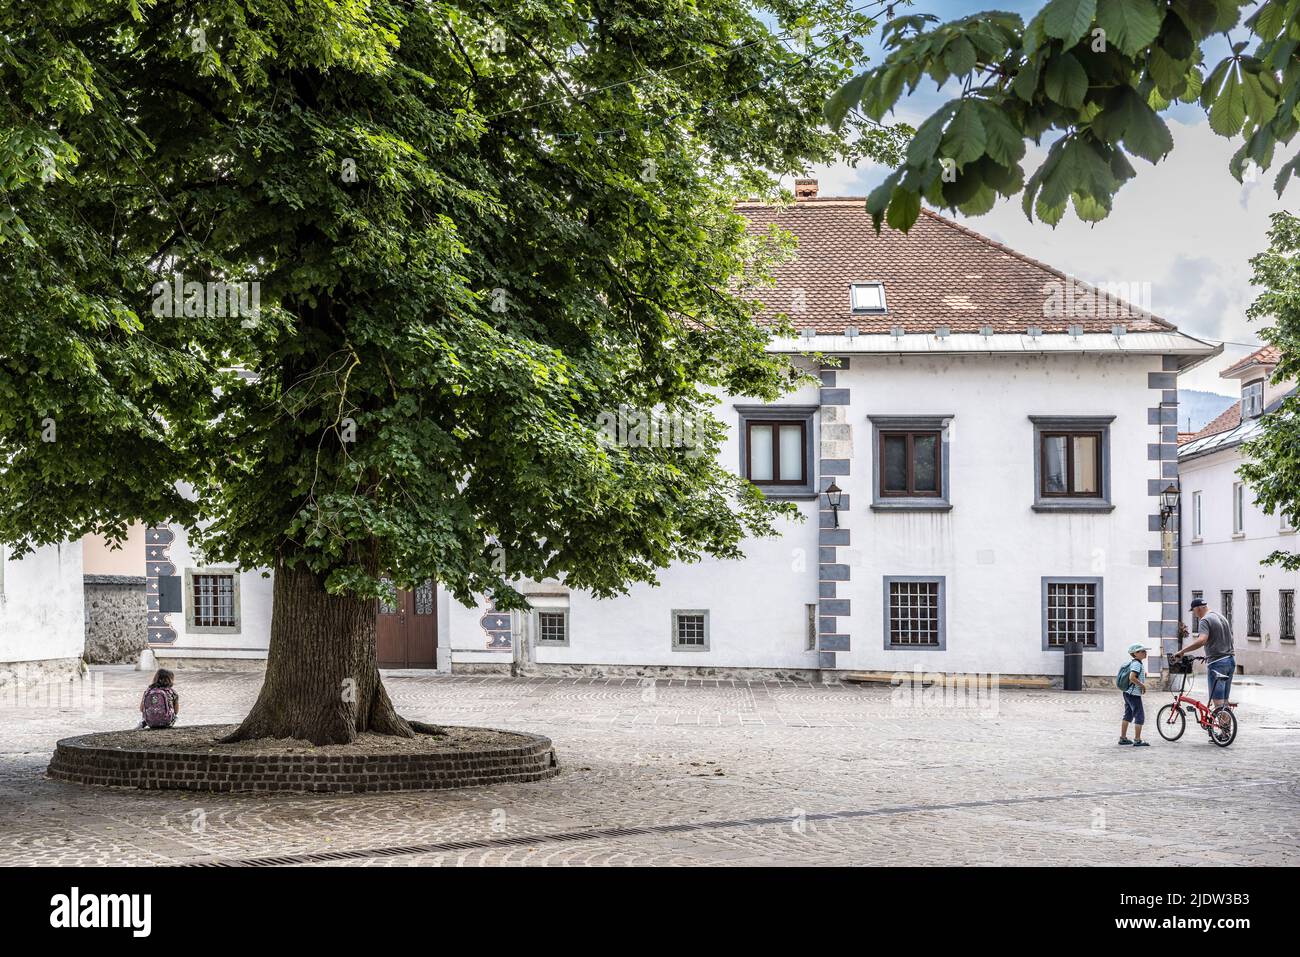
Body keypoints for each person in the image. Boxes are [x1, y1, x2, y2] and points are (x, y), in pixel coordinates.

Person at [1174, 598, 1235, 708]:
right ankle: (1227, 725)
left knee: (1218, 701)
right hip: (1230, 661)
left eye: (1194, 611)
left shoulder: (1205, 620)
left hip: (1217, 663)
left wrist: (1182, 651)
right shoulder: (1221, 617)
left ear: (1198, 608)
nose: (1195, 614)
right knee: (1225, 701)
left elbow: (1202, 640)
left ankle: (1222, 725)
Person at [1119, 643, 1149, 747]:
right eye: (1142, 651)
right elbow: (1132, 677)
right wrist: (1142, 686)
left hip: (1127, 693)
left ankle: (1123, 738)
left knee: (1128, 715)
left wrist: (1142, 675)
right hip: (1133, 694)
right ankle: (1137, 740)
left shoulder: (1135, 663)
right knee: (1139, 716)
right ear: (1135, 654)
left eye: (1145, 651)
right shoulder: (1137, 664)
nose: (1145, 653)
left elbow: (1134, 675)